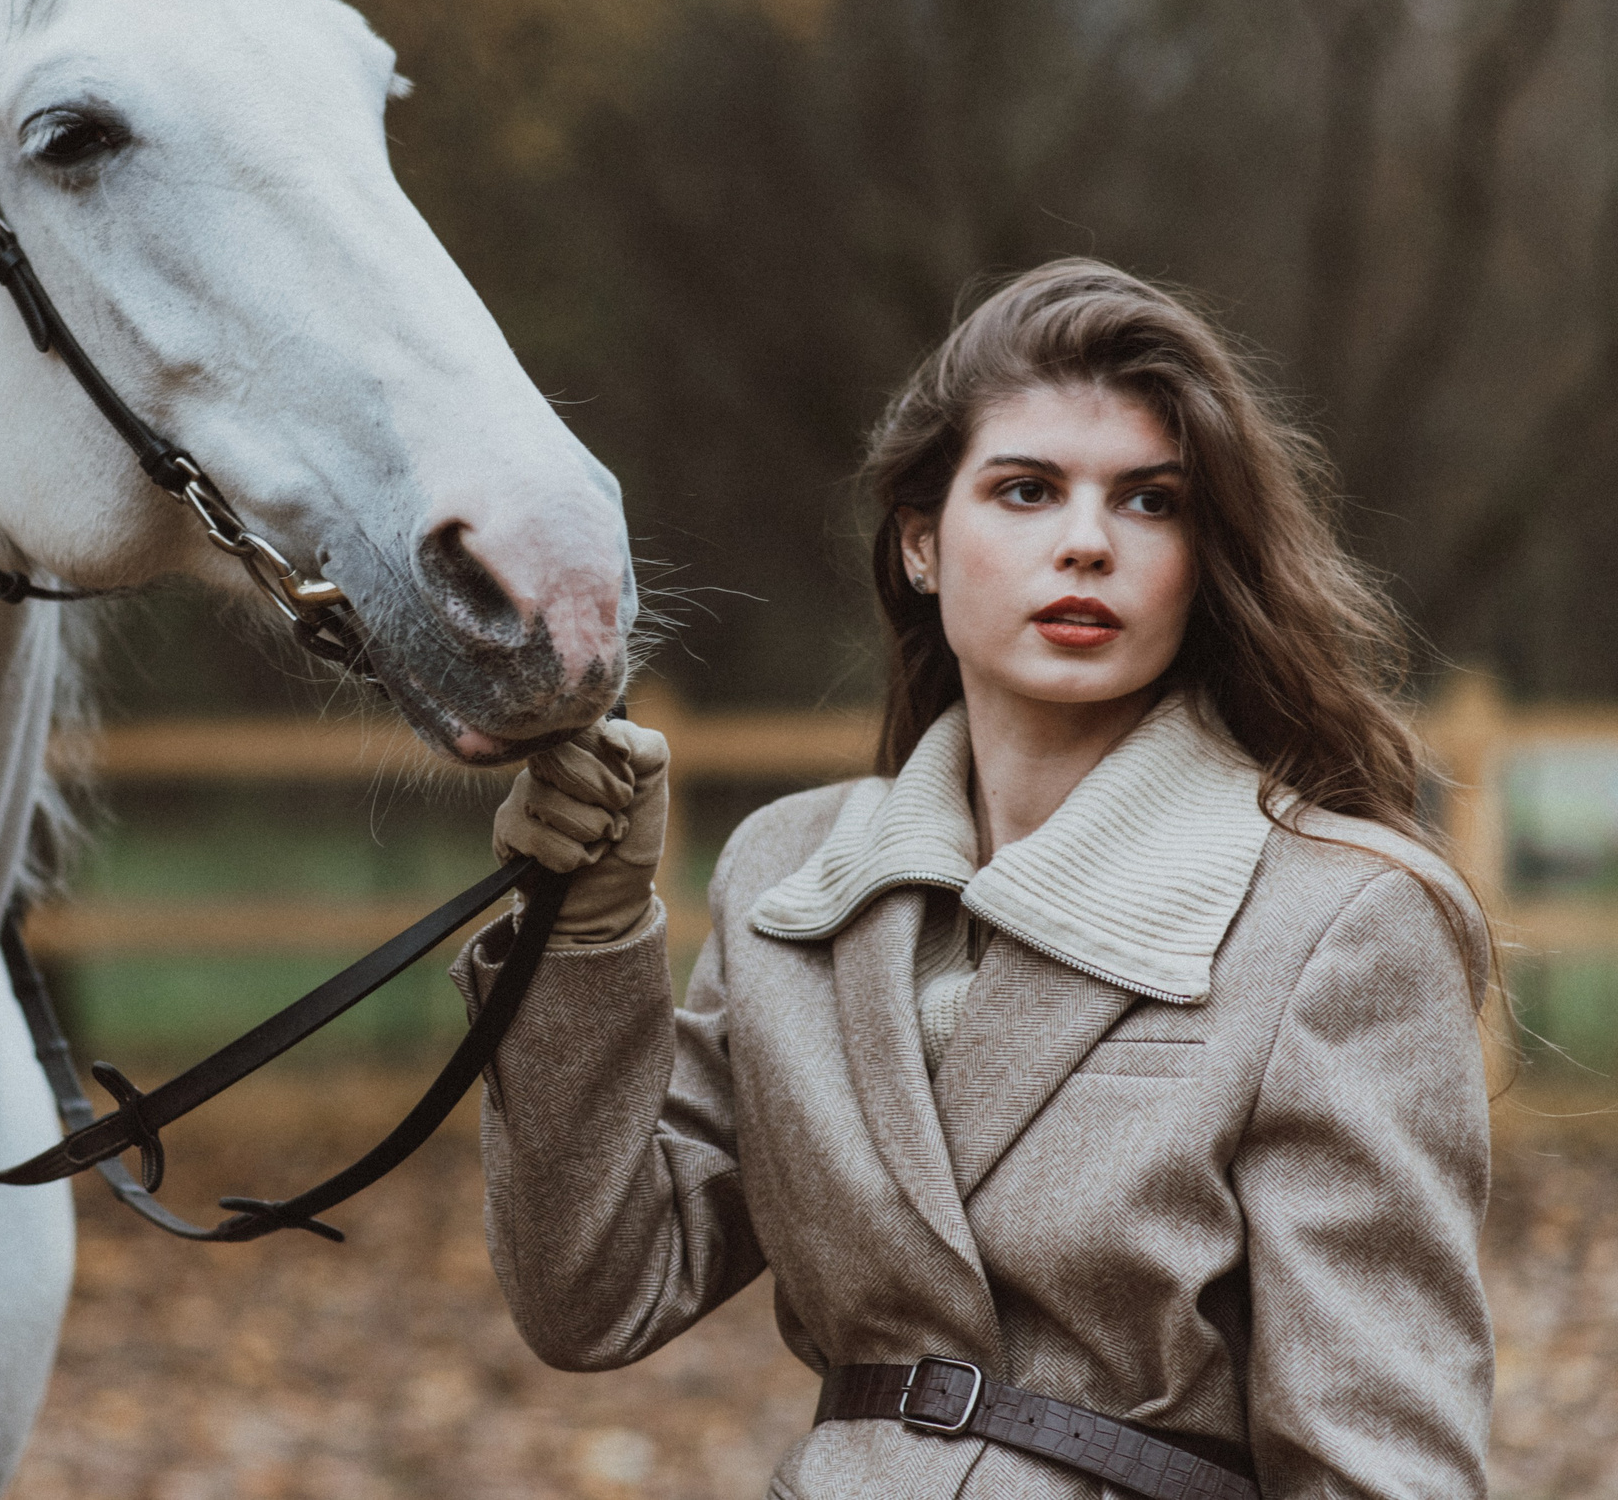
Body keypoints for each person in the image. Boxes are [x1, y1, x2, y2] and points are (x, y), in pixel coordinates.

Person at [463, 259, 1493, 1499]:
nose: (1084, 543)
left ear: (1200, 561)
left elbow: (1378, 1464)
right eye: (1024, 490)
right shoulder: (792, 876)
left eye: (1150, 503)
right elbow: (594, 1293)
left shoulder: (1335, 918)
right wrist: (586, 929)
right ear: (920, 545)